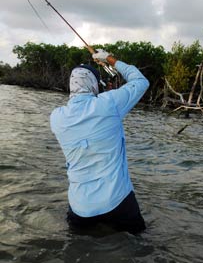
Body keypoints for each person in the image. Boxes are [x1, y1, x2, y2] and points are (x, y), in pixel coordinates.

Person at [50, 49, 149, 234]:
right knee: (142, 246)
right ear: (95, 84)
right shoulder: (109, 103)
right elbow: (141, 82)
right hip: (118, 201)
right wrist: (110, 60)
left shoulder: (56, 118)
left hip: (80, 208)